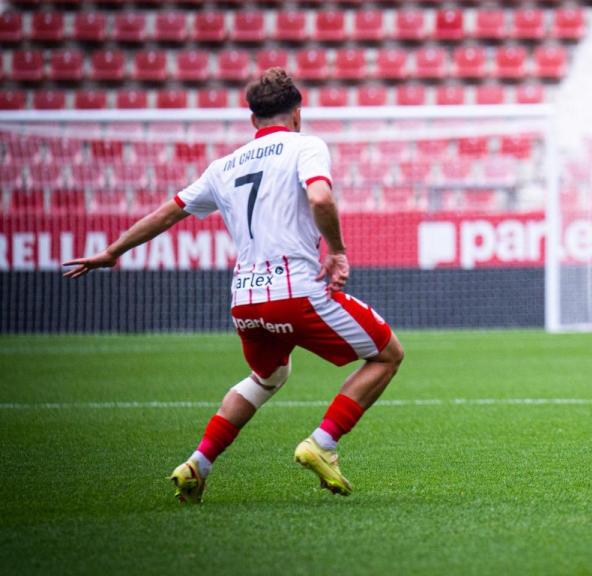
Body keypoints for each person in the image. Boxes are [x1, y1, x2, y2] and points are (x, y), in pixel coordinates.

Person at [63, 68, 404, 502]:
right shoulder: (306, 146)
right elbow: (320, 197)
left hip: (245, 301)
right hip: (295, 291)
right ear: (297, 114)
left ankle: (198, 464)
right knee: (387, 355)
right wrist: (336, 250)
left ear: (253, 119)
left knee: (268, 376)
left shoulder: (223, 166)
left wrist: (113, 252)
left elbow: (168, 212)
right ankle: (323, 442)